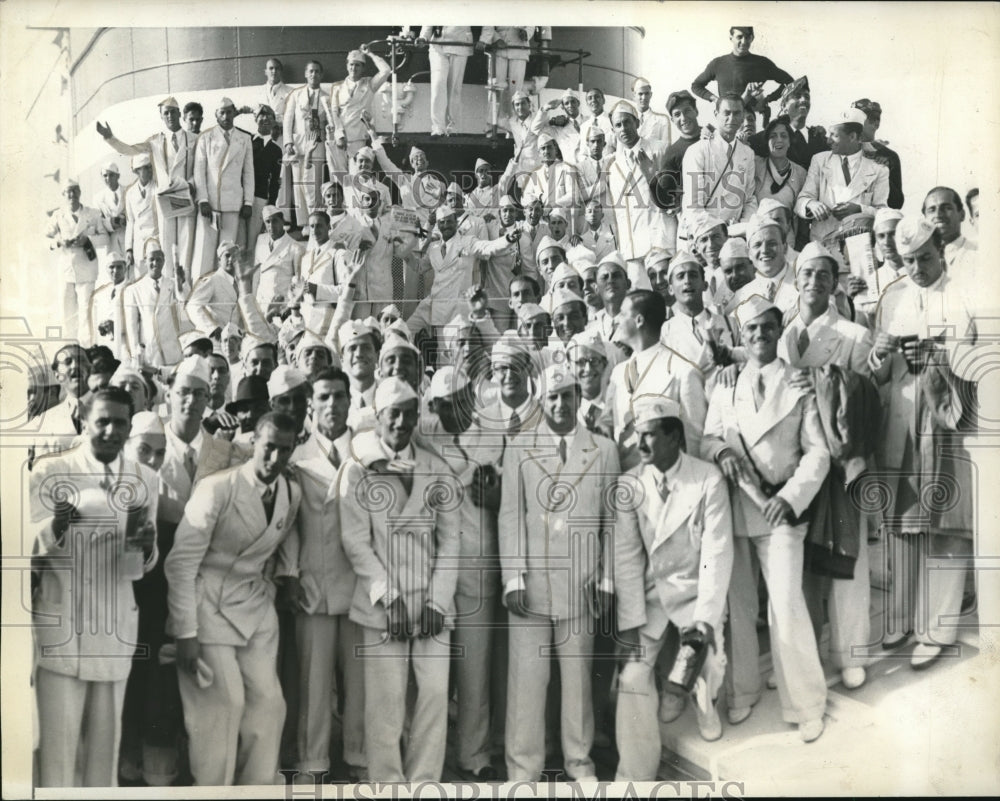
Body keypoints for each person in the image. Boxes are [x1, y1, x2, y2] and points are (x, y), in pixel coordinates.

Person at [702, 294, 829, 742]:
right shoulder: (727, 383)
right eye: (751, 329)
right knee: (740, 607)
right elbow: (709, 436)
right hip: (738, 508)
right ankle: (743, 691)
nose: (759, 335)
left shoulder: (797, 382)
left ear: (779, 331)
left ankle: (807, 703)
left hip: (780, 511)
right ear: (742, 334)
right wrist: (719, 451)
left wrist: (791, 498)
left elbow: (818, 452)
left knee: (785, 604)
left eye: (767, 327)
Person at [30, 386, 159, 786]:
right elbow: (25, 551)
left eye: (119, 422)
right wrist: (54, 526)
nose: (109, 430)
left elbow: (141, 566)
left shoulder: (145, 479)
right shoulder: (49, 472)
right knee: (58, 754)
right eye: (101, 421)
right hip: (62, 625)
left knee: (105, 753)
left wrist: (148, 547)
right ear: (84, 422)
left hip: (113, 623)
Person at [165, 412, 302, 786]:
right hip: (205, 606)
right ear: (253, 442)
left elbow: (285, 535)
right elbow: (180, 565)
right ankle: (211, 792)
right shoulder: (216, 488)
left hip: (255, 606)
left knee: (270, 706)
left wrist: (287, 577)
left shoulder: (291, 491)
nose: (274, 459)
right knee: (224, 704)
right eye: (269, 447)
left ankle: (256, 791)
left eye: (285, 450)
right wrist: (185, 633)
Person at [498, 362, 620, 782]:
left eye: (567, 394)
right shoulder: (519, 447)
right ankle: (523, 768)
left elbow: (612, 521)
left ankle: (579, 762)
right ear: (541, 400)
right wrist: (513, 577)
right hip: (531, 584)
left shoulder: (603, 450)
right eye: (552, 396)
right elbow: (509, 516)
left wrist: (606, 579)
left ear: (579, 398)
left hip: (581, 583)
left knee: (577, 679)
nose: (560, 403)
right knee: (528, 681)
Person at [868, 216, 977, 669]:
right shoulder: (893, 298)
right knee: (902, 521)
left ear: (941, 251)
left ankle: (937, 627)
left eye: (925, 258)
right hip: (900, 418)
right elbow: (875, 362)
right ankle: (901, 619)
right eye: (909, 259)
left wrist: (936, 355)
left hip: (943, 420)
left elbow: (977, 360)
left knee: (944, 527)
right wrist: (880, 356)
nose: (917, 267)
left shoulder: (963, 295)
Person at [339, 377, 461, 782]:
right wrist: (388, 599)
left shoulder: (435, 469)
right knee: (386, 705)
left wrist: (437, 603)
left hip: (431, 604)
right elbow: (356, 543)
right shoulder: (358, 470)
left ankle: (425, 783)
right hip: (382, 606)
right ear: (378, 417)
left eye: (409, 412)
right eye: (394, 413)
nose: (402, 421)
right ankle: (387, 786)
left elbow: (451, 543)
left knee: (433, 698)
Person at [613, 397, 735, 779]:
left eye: (649, 436)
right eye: (638, 435)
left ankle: (702, 698)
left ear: (674, 437)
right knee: (632, 679)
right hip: (650, 600)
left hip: (694, 597)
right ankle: (634, 777)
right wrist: (631, 621)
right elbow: (628, 559)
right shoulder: (629, 484)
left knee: (707, 663)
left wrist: (703, 623)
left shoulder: (707, 479)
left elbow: (716, 555)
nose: (640, 445)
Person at [779, 242, 875, 689]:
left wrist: (823, 386)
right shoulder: (779, 332)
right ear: (795, 280)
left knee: (845, 558)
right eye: (807, 274)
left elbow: (863, 397)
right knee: (799, 564)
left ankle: (851, 652)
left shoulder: (853, 335)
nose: (814, 282)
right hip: (795, 462)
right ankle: (806, 655)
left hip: (840, 461)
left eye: (823, 275)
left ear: (834, 283)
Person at [278, 366, 366, 780]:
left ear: (350, 401)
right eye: (324, 397)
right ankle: (312, 761)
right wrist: (291, 573)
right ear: (311, 404)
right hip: (312, 582)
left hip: (360, 584)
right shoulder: (295, 458)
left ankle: (360, 756)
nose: (332, 404)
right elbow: (289, 523)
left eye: (339, 396)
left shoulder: (367, 451)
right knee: (313, 682)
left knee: (360, 681)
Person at [423, 366, 506, 780]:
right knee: (431, 674)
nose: (449, 410)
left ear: (470, 398)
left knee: (475, 668)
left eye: (457, 400)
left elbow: (509, 494)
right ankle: (426, 756)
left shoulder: (493, 435)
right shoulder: (424, 435)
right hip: (433, 568)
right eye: (441, 404)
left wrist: (497, 496)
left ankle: (475, 756)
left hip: (477, 561)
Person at [600, 289, 707, 471]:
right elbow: (608, 425)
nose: (616, 320)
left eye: (623, 314)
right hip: (628, 485)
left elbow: (694, 440)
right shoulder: (618, 372)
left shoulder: (682, 371)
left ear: (639, 320)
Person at [97, 96, 198, 282]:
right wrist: (109, 138)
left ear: (179, 113)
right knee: (166, 251)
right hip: (165, 202)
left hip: (186, 198)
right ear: (162, 117)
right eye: (165, 113)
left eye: (173, 112)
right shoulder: (155, 141)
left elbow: (200, 168)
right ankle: (169, 297)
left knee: (186, 251)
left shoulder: (194, 139)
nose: (170, 116)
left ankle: (184, 295)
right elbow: (130, 149)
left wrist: (192, 184)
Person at [794, 108, 889, 245]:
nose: (828, 141)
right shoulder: (820, 161)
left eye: (834, 135)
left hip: (859, 246)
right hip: (823, 245)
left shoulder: (879, 169)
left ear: (853, 137)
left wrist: (859, 210)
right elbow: (801, 200)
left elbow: (883, 213)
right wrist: (812, 204)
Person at [605, 100, 673, 283]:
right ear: (613, 131)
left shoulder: (659, 149)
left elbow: (671, 194)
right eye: (618, 125)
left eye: (627, 122)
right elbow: (619, 213)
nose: (623, 128)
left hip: (660, 243)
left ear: (637, 122)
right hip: (632, 250)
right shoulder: (614, 166)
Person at [191, 97, 255, 281]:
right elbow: (199, 171)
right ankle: (200, 293)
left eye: (229, 111)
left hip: (233, 205)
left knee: (228, 255)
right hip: (209, 206)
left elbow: (248, 173)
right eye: (222, 112)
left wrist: (248, 201)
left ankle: (225, 296)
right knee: (204, 253)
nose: (226, 116)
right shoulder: (206, 138)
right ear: (216, 115)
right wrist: (202, 199)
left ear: (234, 112)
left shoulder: (244, 139)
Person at [659, 250, 738, 392]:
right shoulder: (665, 333)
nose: (687, 281)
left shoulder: (730, 324)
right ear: (670, 289)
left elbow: (747, 362)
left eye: (693, 275)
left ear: (704, 284)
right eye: (680, 276)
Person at [682, 93, 758, 235]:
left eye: (737, 113)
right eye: (726, 113)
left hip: (735, 236)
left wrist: (743, 227)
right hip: (703, 235)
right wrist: (719, 233)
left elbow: (749, 199)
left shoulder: (747, 153)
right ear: (716, 114)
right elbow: (693, 206)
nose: (732, 118)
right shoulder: (698, 150)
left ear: (742, 117)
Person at [46, 178, 107, 343]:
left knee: (86, 311)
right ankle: (70, 348)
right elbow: (46, 240)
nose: (72, 194)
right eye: (68, 192)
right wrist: (59, 242)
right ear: (63, 195)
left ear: (80, 192)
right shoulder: (58, 215)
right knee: (67, 313)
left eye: (75, 190)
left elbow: (104, 238)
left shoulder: (92, 214)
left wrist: (87, 240)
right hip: (66, 271)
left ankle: (88, 349)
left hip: (87, 269)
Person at [123, 239, 188, 368]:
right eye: (151, 259)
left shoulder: (173, 283)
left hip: (172, 350)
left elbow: (184, 302)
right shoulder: (134, 289)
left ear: (164, 260)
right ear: (145, 261)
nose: (155, 263)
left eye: (159, 259)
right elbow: (132, 326)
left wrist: (182, 284)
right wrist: (136, 355)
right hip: (149, 353)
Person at [691, 26, 793, 105]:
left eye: (747, 37)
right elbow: (696, 86)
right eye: (739, 37)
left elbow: (789, 82)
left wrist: (769, 98)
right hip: (728, 117)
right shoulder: (718, 63)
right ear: (731, 38)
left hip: (755, 119)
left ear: (752, 38)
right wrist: (716, 100)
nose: (744, 42)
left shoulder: (762, 63)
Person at [329, 45, 393, 156]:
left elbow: (386, 70)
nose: (354, 68)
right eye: (351, 64)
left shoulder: (370, 84)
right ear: (347, 66)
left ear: (363, 68)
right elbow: (334, 113)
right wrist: (339, 135)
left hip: (358, 138)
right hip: (339, 137)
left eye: (357, 65)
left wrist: (370, 54)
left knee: (356, 172)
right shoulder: (337, 87)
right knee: (338, 173)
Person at [415, 26, 474, 136]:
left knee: (454, 88)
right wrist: (423, 37)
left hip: (460, 44)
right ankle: (438, 127)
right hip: (438, 45)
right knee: (438, 85)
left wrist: (485, 39)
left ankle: (453, 127)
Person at [240, 104, 283, 254]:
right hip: (241, 196)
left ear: (273, 121)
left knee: (252, 242)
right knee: (238, 241)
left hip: (260, 199)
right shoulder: (246, 140)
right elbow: (226, 123)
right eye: (261, 116)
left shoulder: (277, 150)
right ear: (255, 120)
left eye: (269, 117)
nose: (265, 120)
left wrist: (269, 206)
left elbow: (275, 182)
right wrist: (241, 111)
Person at [852, 98, 904, 210]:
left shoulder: (889, 157)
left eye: (877, 118)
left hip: (873, 222)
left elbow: (897, 203)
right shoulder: (839, 149)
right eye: (871, 118)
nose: (876, 122)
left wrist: (882, 172)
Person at [252, 206, 303, 311]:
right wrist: (253, 300)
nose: (271, 225)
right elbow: (256, 274)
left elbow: (298, 281)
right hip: (260, 302)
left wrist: (291, 305)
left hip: (281, 304)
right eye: (268, 222)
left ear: (282, 221)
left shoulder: (295, 247)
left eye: (275, 221)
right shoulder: (261, 240)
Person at [754, 116, 807, 212]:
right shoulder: (755, 165)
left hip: (786, 226)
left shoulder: (801, 173)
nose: (779, 140)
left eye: (783, 136)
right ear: (767, 142)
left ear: (789, 142)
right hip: (759, 225)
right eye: (773, 136)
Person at [922, 186, 978, 275]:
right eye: (931, 210)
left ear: (962, 215)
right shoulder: (918, 263)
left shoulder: (979, 254)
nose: (938, 215)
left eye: (946, 208)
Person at [122, 155, 159, 278]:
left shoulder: (158, 187)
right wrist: (129, 249)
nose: (149, 171)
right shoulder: (130, 193)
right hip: (139, 244)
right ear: (137, 171)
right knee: (140, 282)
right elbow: (130, 223)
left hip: (155, 240)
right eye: (145, 168)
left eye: (150, 167)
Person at [89, 249, 129, 358]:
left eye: (119, 267)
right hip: (107, 345)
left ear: (125, 268)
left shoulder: (132, 290)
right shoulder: (102, 293)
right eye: (111, 267)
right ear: (107, 269)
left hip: (126, 346)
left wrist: (117, 326)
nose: (115, 271)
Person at [496, 90, 547, 173]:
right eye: (517, 104)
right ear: (513, 107)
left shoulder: (537, 119)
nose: (520, 107)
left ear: (529, 104)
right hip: (521, 168)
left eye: (523, 103)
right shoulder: (512, 122)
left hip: (538, 166)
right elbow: (496, 121)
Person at [93, 161, 127, 261]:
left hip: (128, 239)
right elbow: (99, 221)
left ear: (118, 176)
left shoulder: (128, 191)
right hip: (111, 242)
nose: (108, 178)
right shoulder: (98, 198)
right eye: (105, 176)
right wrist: (113, 222)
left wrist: (125, 219)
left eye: (111, 175)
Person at [631, 77, 672, 145]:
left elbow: (666, 148)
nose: (644, 98)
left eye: (646, 94)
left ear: (651, 95)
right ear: (634, 95)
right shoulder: (627, 119)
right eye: (640, 94)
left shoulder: (662, 120)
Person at [578, 87, 617, 156]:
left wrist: (605, 161)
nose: (593, 100)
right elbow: (583, 153)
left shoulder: (613, 121)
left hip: (610, 164)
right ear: (587, 103)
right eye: (590, 98)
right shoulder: (584, 127)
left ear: (603, 100)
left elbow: (620, 148)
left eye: (597, 97)